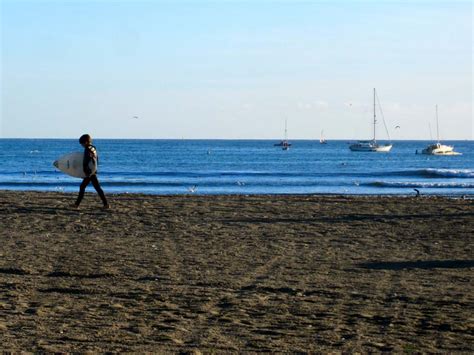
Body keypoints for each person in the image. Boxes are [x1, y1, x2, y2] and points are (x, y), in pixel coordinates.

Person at [73, 134, 109, 209]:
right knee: (97, 188)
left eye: (82, 143)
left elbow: (86, 162)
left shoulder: (87, 149)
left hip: (89, 172)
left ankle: (76, 205)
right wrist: (95, 170)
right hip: (93, 170)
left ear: (86, 142)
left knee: (83, 187)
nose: (82, 145)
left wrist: (85, 173)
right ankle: (106, 204)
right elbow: (96, 160)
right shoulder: (93, 148)